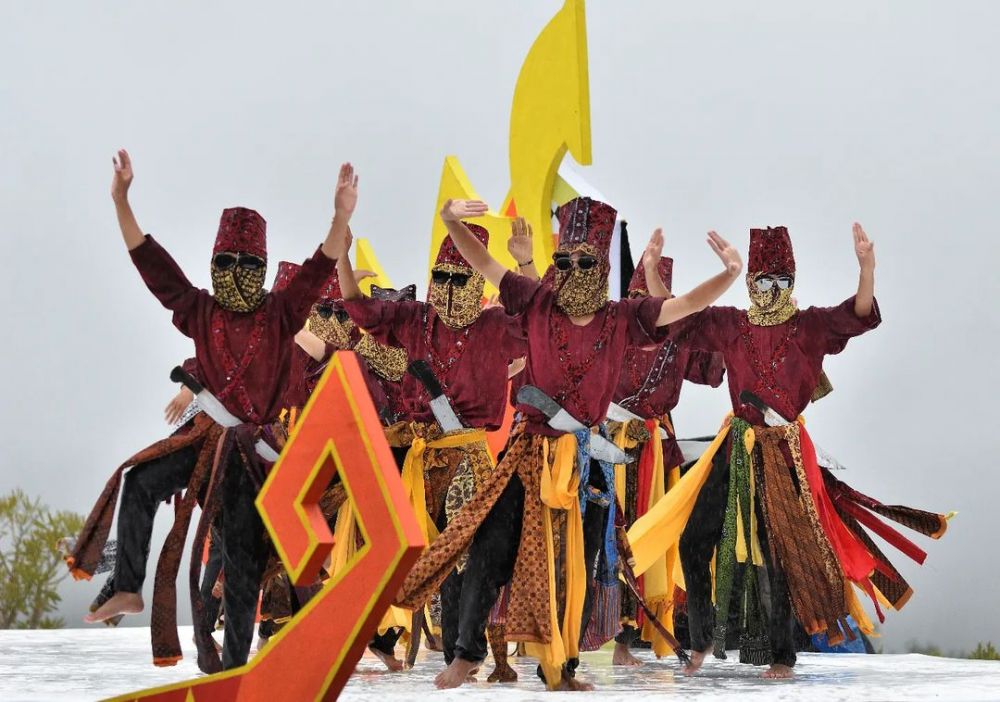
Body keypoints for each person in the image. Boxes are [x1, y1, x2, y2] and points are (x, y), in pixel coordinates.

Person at [392, 196, 742, 690]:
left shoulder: (624, 317)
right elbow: (483, 263)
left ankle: (563, 668)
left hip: (586, 461)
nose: (573, 269)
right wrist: (450, 221)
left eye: (584, 261)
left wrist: (728, 276)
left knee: (578, 567)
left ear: (601, 266)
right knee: (489, 548)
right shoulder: (535, 302)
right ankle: (466, 654)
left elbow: (683, 307)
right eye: (564, 260)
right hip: (529, 451)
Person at [67, 151, 354, 672]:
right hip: (206, 442)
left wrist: (340, 218)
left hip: (255, 458)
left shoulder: (282, 313)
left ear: (263, 269)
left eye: (247, 265)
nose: (235, 274)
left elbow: (316, 271)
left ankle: (238, 671)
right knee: (141, 479)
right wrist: (121, 200)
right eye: (225, 263)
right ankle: (128, 584)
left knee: (241, 573)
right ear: (212, 263)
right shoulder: (198, 310)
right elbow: (153, 266)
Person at [659, 223, 949, 679]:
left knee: (780, 554)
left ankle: (781, 656)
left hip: (784, 453)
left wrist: (866, 268)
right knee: (695, 539)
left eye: (782, 281)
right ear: (751, 282)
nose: (772, 290)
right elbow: (676, 318)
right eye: (764, 280)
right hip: (737, 445)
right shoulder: (732, 324)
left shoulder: (809, 326)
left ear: (791, 283)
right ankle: (700, 639)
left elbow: (858, 314)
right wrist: (657, 279)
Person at [339, 212, 529, 673]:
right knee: (398, 547)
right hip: (417, 456)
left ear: (476, 282)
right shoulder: (417, 319)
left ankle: (472, 654)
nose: (446, 287)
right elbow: (359, 310)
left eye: (458, 277)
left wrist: (524, 267)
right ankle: (385, 635)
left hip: (466, 455)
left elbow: (538, 322)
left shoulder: (495, 326)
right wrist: (342, 256)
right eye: (439, 276)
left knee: (466, 556)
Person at [582, 242, 725, 665]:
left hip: (658, 451)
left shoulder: (680, 338)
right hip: (609, 444)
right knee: (610, 536)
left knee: (655, 536)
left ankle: (629, 639)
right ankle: (602, 634)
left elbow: (713, 370)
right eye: (640, 297)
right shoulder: (610, 330)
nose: (647, 307)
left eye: (657, 298)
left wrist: (707, 314)